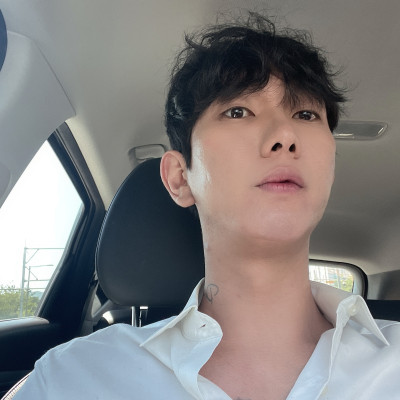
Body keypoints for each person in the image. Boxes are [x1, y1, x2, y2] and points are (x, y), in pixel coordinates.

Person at [13, 13, 400, 400]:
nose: (285, 135)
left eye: (306, 114)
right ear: (180, 178)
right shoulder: (72, 379)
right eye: (238, 111)